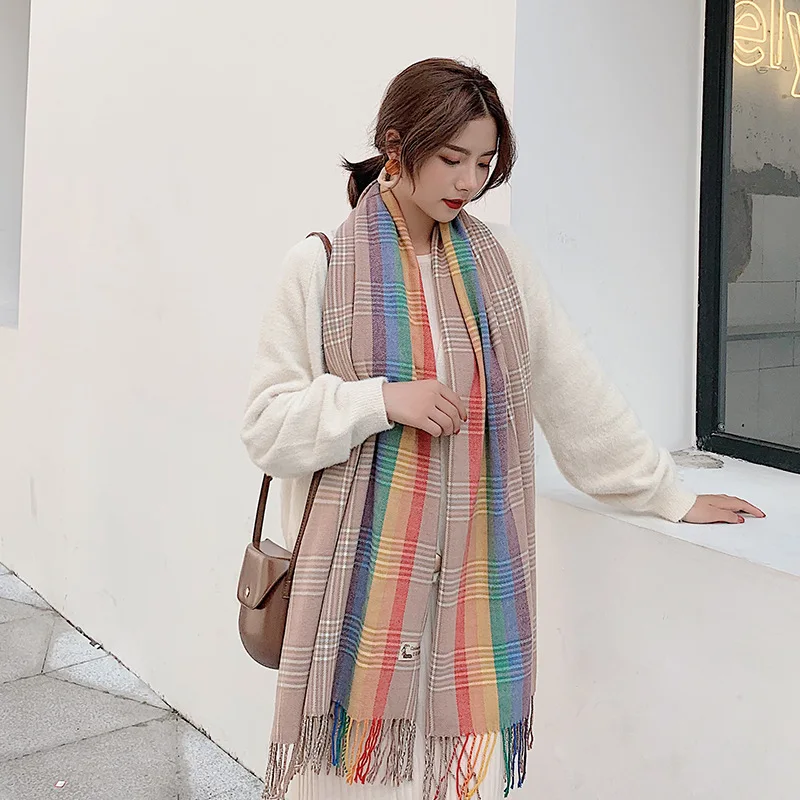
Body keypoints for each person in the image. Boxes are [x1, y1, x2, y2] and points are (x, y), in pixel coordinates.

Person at [240, 58, 765, 800]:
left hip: (466, 606)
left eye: (485, 163)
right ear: (396, 147)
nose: (468, 182)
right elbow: (266, 427)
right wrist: (379, 401)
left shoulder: (501, 263)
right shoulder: (318, 267)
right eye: (451, 158)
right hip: (355, 609)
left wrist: (667, 495)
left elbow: (573, 390)